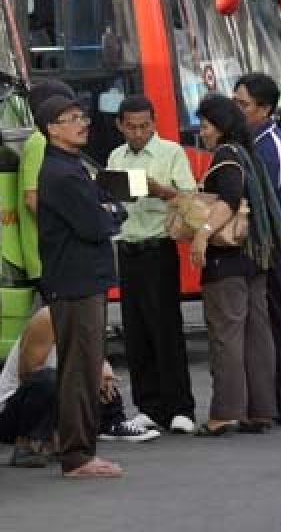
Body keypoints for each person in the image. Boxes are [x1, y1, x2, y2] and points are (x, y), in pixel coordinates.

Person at [35, 95, 123, 477]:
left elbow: (107, 203)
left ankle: (80, 450)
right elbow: (96, 224)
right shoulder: (62, 173)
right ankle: (77, 455)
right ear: (52, 129)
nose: (82, 123)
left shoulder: (73, 165)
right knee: (80, 370)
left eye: (82, 116)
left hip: (83, 279)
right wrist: (112, 213)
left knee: (84, 366)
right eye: (71, 119)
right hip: (75, 281)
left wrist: (111, 209)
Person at [106, 95, 197, 434]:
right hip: (128, 247)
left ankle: (180, 406)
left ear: (154, 123)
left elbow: (189, 198)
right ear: (120, 125)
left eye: (145, 126)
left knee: (166, 329)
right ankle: (148, 406)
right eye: (131, 127)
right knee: (136, 331)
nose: (138, 133)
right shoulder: (116, 156)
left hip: (159, 247)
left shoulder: (171, 152)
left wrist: (161, 191)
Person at [189, 95, 276, 436]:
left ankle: (224, 412)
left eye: (206, 126)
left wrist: (202, 234)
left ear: (221, 128)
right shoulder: (247, 153)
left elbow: (227, 200)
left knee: (226, 337)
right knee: (257, 336)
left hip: (226, 262)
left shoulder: (225, 156)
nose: (202, 132)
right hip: (254, 259)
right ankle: (260, 410)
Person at [0, 308, 158, 468]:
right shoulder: (48, 318)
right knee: (49, 380)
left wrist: (100, 368)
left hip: (61, 397)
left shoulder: (88, 320)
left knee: (100, 379)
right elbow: (28, 376)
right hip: (9, 416)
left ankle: (112, 423)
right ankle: (31, 443)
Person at [233, 73, 281, 428]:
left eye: (242, 104)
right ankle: (276, 400)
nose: (236, 110)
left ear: (264, 109)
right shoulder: (251, 141)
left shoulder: (270, 146)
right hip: (266, 244)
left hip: (276, 246)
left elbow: (267, 206)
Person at [18, 79, 77, 294]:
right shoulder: (40, 141)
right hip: (50, 256)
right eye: (71, 114)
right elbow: (32, 198)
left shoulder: (42, 140)